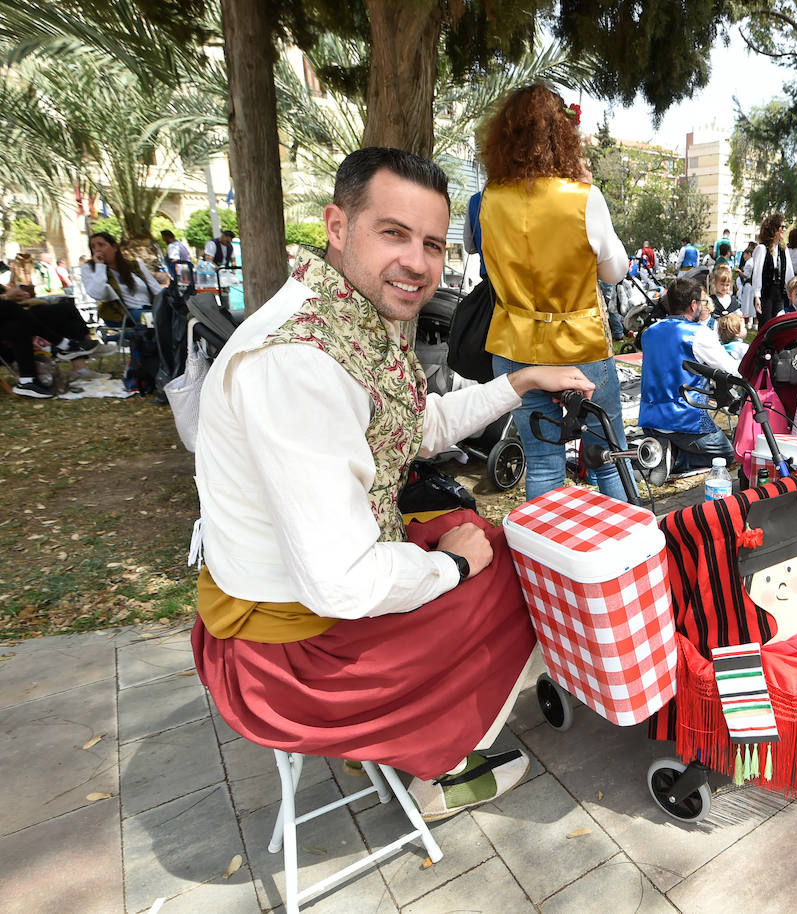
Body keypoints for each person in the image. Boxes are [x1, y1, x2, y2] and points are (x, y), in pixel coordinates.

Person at [191, 146, 596, 821]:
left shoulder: (341, 315)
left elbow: (417, 424)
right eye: (393, 233)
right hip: (285, 663)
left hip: (299, 601)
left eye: (432, 243)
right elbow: (344, 584)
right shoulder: (298, 364)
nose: (417, 261)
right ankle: (441, 764)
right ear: (337, 226)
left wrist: (523, 381)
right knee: (515, 569)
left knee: (480, 534)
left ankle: (425, 727)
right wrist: (451, 568)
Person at [479, 84, 632, 503]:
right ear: (563, 136)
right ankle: (621, 551)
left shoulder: (488, 199)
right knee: (608, 453)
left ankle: (544, 559)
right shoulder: (583, 198)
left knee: (543, 462)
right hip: (579, 343)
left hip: (514, 343)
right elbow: (616, 272)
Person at [638, 274, 741, 484]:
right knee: (729, 454)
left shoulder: (649, 333)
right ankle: (676, 458)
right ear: (693, 305)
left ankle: (665, 451)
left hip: (650, 418)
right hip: (686, 421)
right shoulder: (698, 334)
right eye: (703, 302)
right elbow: (732, 370)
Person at [81, 232, 164, 326]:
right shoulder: (89, 268)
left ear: (114, 247)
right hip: (122, 315)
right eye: (93, 247)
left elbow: (156, 288)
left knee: (172, 316)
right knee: (157, 320)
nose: (97, 249)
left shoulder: (135, 265)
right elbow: (98, 293)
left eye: (101, 245)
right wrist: (100, 266)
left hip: (149, 309)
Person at [751, 213, 795, 327]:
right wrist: (757, 295)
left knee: (778, 323)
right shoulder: (762, 249)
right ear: (773, 229)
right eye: (782, 227)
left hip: (779, 292)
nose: (784, 230)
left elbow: (788, 272)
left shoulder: (783, 250)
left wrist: (791, 291)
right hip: (765, 293)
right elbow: (757, 274)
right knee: (766, 324)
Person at [738, 240, 758, 329]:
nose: (743, 256)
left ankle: (746, 323)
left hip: (748, 285)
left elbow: (746, 275)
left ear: (749, 254)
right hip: (753, 285)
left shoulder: (749, 262)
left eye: (744, 254)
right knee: (752, 305)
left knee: (746, 304)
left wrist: (739, 272)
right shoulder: (754, 261)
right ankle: (754, 323)